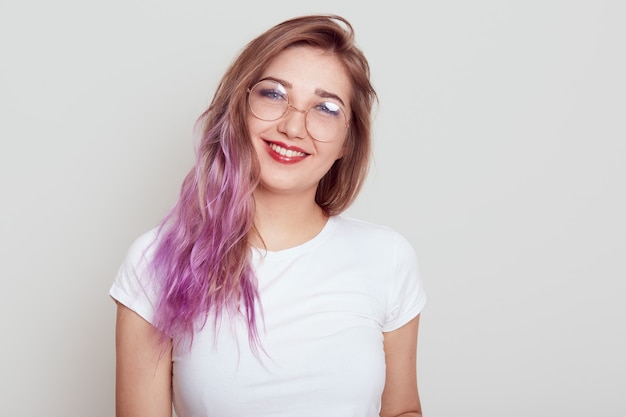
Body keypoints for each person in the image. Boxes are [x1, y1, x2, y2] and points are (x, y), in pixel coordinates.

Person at [110, 14, 427, 417]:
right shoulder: (154, 262)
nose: (294, 126)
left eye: (326, 108)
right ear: (239, 107)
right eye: (274, 94)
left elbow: (402, 410)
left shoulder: (388, 257)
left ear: (348, 141)